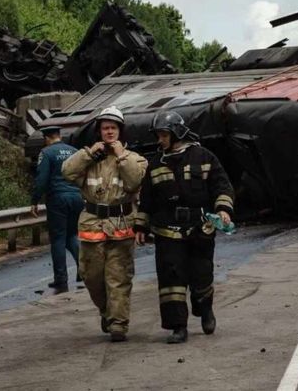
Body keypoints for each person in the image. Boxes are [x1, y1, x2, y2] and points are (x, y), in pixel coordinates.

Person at [135, 110, 235, 344]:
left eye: (163, 135)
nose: (159, 140)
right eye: (158, 135)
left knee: (201, 274)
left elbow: (222, 186)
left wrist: (223, 210)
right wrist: (140, 226)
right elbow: (146, 199)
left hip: (200, 228)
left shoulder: (204, 157)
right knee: (171, 279)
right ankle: (178, 327)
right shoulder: (155, 164)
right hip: (166, 231)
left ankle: (205, 309)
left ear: (176, 132)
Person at [62, 106, 147, 342]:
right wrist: (89, 153)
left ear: (120, 131)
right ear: (99, 132)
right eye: (105, 128)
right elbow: (67, 172)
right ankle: (106, 311)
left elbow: (133, 183)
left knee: (118, 278)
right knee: (91, 277)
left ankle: (118, 324)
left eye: (113, 128)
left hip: (121, 226)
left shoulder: (135, 159)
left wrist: (121, 156)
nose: (109, 132)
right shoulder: (90, 158)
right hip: (92, 226)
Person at [30, 125, 83, 294]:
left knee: (58, 238)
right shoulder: (75, 151)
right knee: (72, 234)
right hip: (76, 197)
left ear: (46, 138)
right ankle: (83, 270)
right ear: (59, 135)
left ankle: (61, 278)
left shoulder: (46, 153)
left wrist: (35, 200)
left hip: (58, 199)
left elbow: (42, 179)